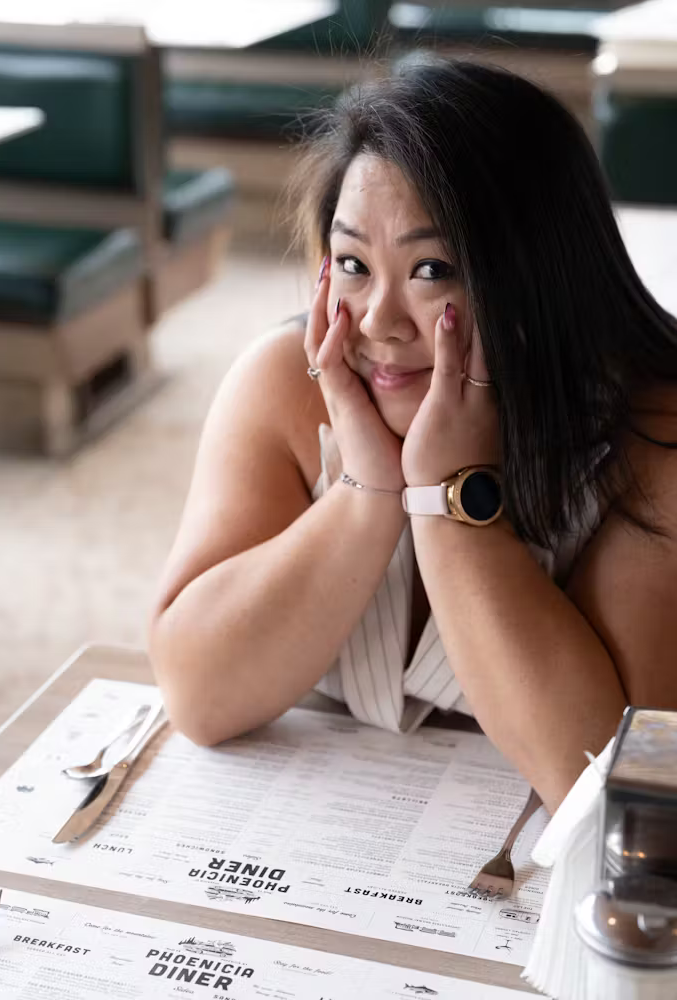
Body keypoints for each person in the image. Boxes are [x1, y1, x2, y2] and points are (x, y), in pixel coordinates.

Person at [149, 59, 677, 813]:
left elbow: (613, 785)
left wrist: (445, 494)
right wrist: (366, 492)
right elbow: (196, 696)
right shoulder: (284, 383)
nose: (376, 323)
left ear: (535, 275)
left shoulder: (655, 433)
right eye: (355, 265)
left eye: (432, 269)